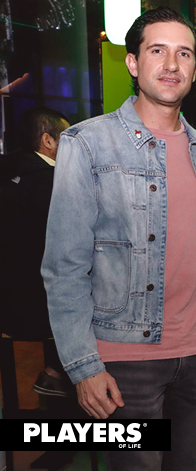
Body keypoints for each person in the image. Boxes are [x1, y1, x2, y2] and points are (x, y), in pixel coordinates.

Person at [41, 7, 196, 471]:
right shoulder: (88, 144)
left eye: (184, 54)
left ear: (194, 68)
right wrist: (83, 365)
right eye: (157, 50)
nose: (172, 64)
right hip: (125, 359)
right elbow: (64, 267)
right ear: (133, 64)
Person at [0, 106, 71, 396]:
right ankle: (56, 374)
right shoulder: (51, 182)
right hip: (36, 306)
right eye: (67, 137)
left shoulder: (9, 172)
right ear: (48, 141)